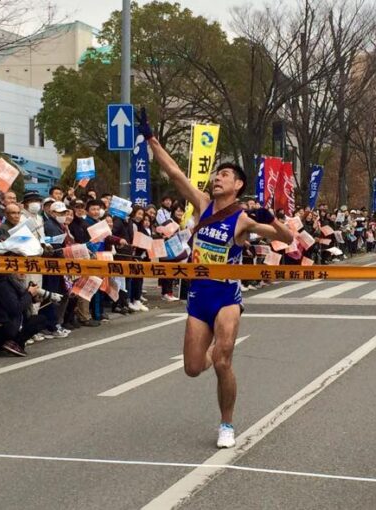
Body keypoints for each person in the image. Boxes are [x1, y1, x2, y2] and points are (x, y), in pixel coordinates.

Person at [139, 108, 293, 448]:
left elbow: (287, 240)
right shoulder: (204, 204)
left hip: (226, 297)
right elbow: (175, 173)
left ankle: (227, 424)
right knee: (193, 368)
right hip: (199, 295)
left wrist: (273, 219)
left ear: (238, 185)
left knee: (223, 360)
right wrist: (150, 138)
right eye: (217, 174)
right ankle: (213, 348)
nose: (218, 178)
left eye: (225, 174)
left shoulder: (242, 218)